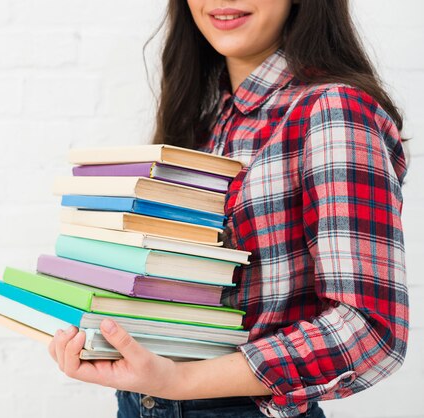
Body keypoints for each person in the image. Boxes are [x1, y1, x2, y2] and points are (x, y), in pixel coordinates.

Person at [48, 0, 409, 417]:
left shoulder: (332, 110)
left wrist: (181, 381)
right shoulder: (206, 120)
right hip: (141, 404)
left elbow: (368, 330)